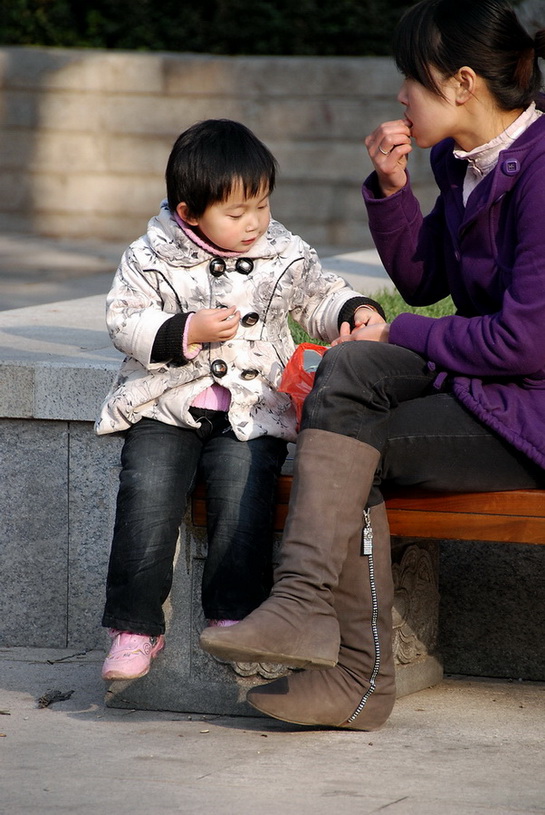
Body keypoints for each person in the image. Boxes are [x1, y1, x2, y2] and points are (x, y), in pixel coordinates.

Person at [200, 0, 545, 730]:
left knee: (356, 441)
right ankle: (301, 607)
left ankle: (355, 674)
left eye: (409, 81)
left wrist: (404, 335)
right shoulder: (459, 160)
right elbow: (425, 278)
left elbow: (525, 343)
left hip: (530, 408)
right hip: (490, 385)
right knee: (347, 375)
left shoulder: (542, 174)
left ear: (460, 84)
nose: (398, 96)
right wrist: (392, 192)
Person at [96, 118, 385, 681]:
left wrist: (353, 311)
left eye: (261, 205)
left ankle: (234, 616)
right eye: (236, 213)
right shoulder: (150, 255)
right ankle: (134, 627)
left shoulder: (283, 252)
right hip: (166, 405)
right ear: (189, 213)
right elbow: (123, 319)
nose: (254, 223)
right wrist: (185, 329)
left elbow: (318, 296)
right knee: (147, 495)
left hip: (252, 409)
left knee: (244, 497)